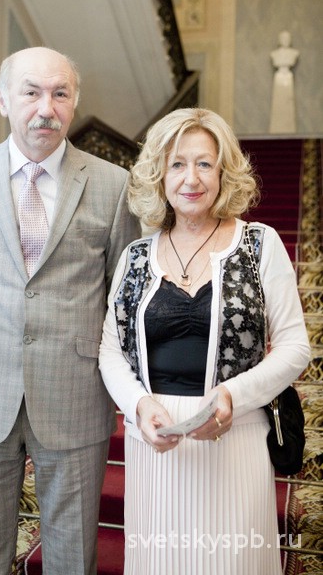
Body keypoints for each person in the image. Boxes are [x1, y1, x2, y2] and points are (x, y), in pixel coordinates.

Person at [0, 46, 140, 575]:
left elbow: (122, 292)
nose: (46, 108)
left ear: (74, 103)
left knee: (72, 554)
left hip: (74, 391)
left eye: (60, 93)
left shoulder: (113, 185)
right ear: (4, 100)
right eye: (31, 92)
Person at [98, 107, 310, 574]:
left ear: (223, 172)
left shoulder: (259, 244)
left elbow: (295, 346)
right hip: (155, 441)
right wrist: (138, 406)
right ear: (159, 174)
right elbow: (109, 350)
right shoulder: (136, 255)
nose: (190, 178)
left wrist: (232, 395)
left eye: (204, 164)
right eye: (177, 164)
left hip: (237, 436)